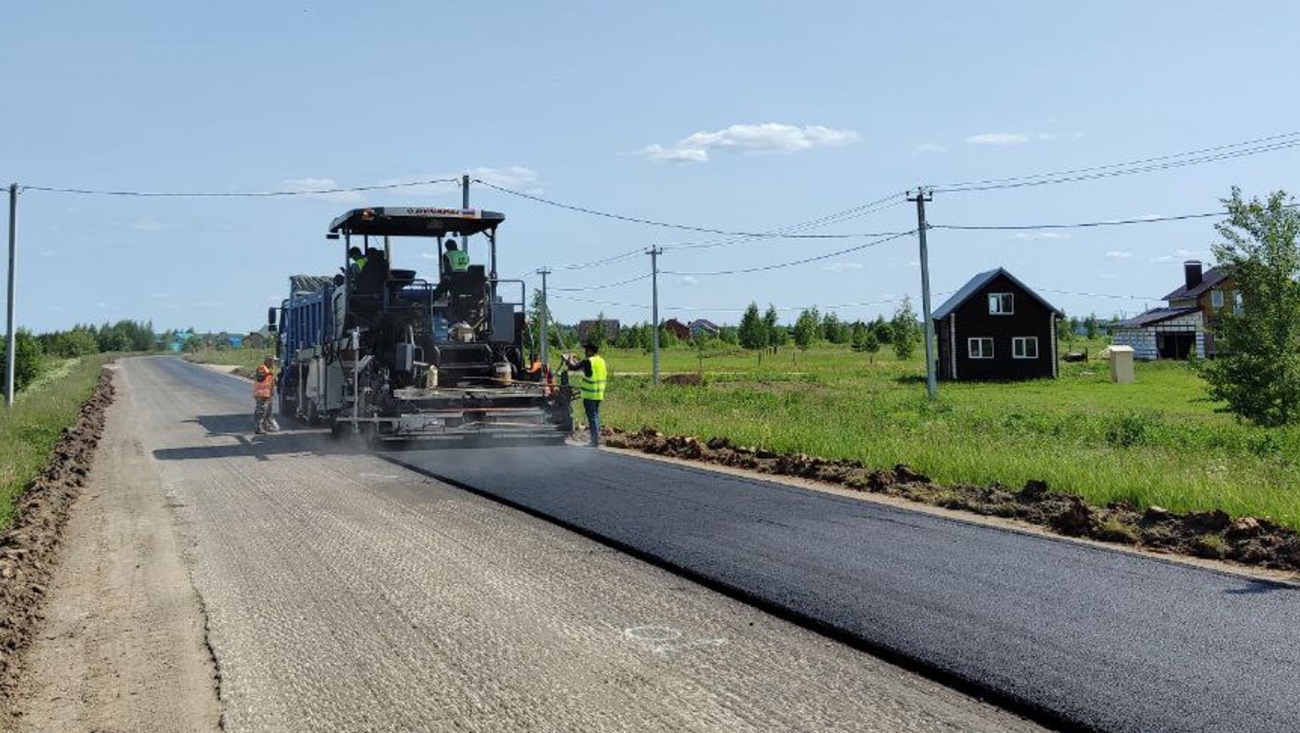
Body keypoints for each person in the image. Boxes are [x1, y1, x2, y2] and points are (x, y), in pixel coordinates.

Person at [563, 341, 606, 447]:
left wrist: (568, 359)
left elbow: (574, 368)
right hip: (599, 394)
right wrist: (575, 361)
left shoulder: (588, 361)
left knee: (592, 418)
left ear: (591, 351)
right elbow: (585, 369)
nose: (585, 352)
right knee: (595, 416)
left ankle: (594, 441)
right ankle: (595, 439)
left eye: (586, 350)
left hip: (589, 395)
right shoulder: (601, 361)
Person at [253, 355, 279, 435]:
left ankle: (266, 426)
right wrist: (269, 374)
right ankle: (259, 428)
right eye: (272, 361)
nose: (273, 363)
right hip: (262, 394)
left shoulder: (268, 370)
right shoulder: (262, 368)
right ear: (268, 361)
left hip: (267, 395)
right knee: (261, 412)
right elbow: (260, 377)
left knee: (268, 412)